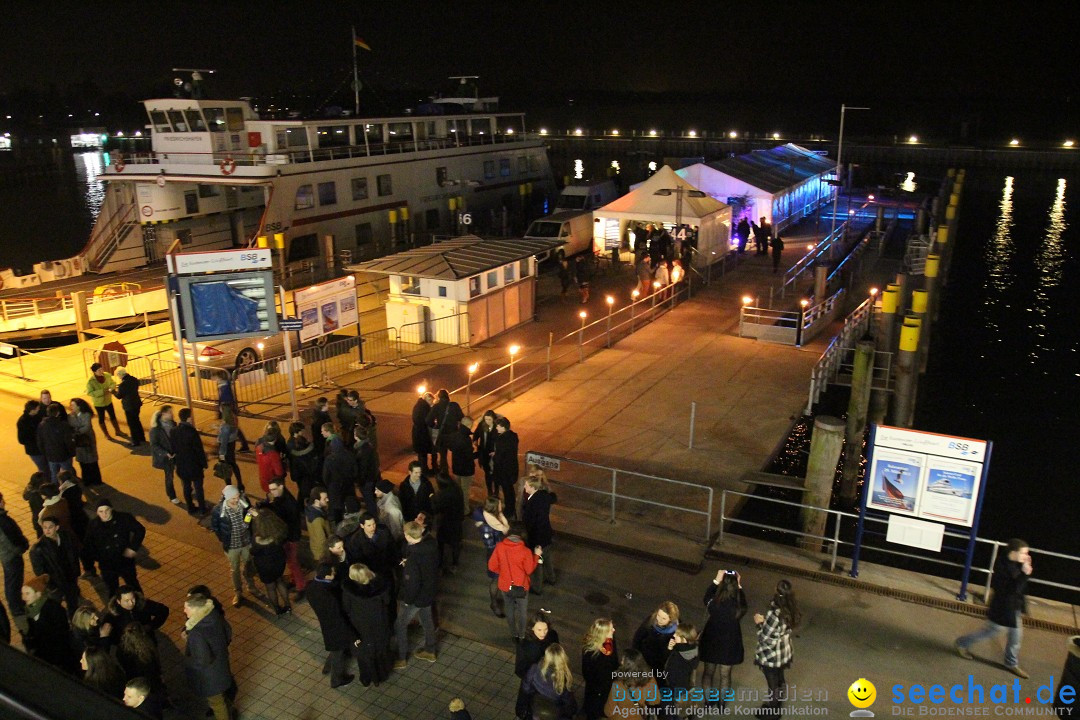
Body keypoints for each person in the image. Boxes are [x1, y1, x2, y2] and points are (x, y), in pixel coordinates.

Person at [955, 538, 1032, 678]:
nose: (1026, 557)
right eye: (1023, 553)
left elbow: (1019, 590)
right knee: (989, 632)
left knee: (1016, 637)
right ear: (1013, 552)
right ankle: (961, 643)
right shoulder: (1002, 567)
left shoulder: (1016, 563)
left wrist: (1023, 574)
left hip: (1014, 608)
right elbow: (1011, 589)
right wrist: (1025, 575)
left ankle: (1011, 663)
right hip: (1002, 609)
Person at [182, 593, 236, 720]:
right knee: (223, 698)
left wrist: (186, 661)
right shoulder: (214, 616)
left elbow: (202, 661)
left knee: (217, 703)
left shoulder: (196, 633)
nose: (184, 611)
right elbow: (228, 632)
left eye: (187, 608)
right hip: (221, 666)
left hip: (210, 677)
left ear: (196, 610)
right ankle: (231, 712)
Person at [393, 520, 439, 668]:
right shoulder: (431, 545)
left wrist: (407, 601)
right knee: (426, 620)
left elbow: (413, 584)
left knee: (400, 624)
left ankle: (401, 658)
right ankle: (430, 650)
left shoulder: (413, 558)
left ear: (407, 536)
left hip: (417, 597)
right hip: (429, 592)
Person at [307, 562, 359, 688]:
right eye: (332, 573)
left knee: (334, 647)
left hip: (326, 623)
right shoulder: (329, 597)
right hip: (335, 626)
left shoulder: (312, 586)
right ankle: (337, 680)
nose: (334, 574)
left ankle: (327, 667)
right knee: (338, 652)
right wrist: (353, 636)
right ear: (326, 576)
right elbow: (339, 618)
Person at [700, 569, 747, 707]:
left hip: (711, 640)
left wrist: (716, 580)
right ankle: (721, 704)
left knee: (708, 673)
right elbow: (743, 601)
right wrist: (739, 585)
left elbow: (706, 597)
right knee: (725, 675)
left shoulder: (714, 603)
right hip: (730, 643)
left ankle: (708, 701)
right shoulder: (739, 607)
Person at [488, 520, 541, 642]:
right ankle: (522, 635)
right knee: (522, 612)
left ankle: (514, 634)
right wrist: (537, 555)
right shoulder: (525, 551)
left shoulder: (500, 547)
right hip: (521, 586)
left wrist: (503, 571)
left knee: (509, 609)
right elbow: (529, 570)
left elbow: (492, 566)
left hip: (505, 585)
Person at [753, 579, 800, 713]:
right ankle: (778, 703)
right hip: (784, 650)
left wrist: (759, 622)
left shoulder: (775, 613)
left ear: (776, 591)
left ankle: (773, 710)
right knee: (780, 678)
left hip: (773, 654)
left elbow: (765, 637)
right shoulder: (792, 608)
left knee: (772, 683)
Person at [342, 563, 393, 686]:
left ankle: (366, 678)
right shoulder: (380, 587)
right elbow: (388, 602)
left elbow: (346, 609)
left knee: (364, 656)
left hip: (360, 628)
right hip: (379, 625)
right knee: (380, 652)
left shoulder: (350, 591)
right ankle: (382, 674)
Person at [83, 499, 145, 597]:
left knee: (133, 585)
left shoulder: (123, 518)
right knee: (112, 588)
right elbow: (88, 543)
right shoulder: (94, 524)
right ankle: (115, 609)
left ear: (111, 509)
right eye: (101, 511)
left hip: (124, 560)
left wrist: (133, 548)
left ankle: (140, 604)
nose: (104, 514)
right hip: (107, 564)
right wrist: (98, 557)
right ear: (97, 512)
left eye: (107, 510)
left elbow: (140, 530)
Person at [210, 486, 255, 608]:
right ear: (226, 498)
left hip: (245, 542)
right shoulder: (219, 510)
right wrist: (224, 540)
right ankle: (238, 592)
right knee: (235, 569)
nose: (236, 500)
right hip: (232, 546)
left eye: (237, 497)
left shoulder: (244, 504)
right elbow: (215, 527)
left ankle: (251, 587)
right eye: (233, 498)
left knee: (248, 566)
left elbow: (247, 521)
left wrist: (249, 517)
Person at [22, 575, 77, 673]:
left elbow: (61, 635)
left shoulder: (54, 610)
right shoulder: (30, 609)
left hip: (59, 658)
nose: (23, 597)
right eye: (23, 593)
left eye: (27, 593)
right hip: (45, 655)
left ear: (38, 594)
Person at [29, 515, 82, 615]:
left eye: (50, 527)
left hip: (70, 578)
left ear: (57, 527)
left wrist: (76, 573)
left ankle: (74, 621)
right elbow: (39, 572)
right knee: (55, 608)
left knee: (73, 604)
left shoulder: (66, 537)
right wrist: (51, 586)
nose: (47, 530)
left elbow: (74, 555)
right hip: (55, 584)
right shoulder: (38, 548)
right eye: (45, 527)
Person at [266, 478, 307, 597]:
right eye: (270, 490)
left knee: (293, 562)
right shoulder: (281, 498)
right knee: (290, 562)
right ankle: (295, 581)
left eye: (274, 489)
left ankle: (301, 586)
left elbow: (287, 521)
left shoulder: (288, 503)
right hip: (288, 536)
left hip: (290, 538)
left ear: (281, 486)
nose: (271, 492)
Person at [519, 643, 578, 720]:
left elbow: (526, 688)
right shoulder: (562, 681)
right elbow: (570, 706)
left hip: (537, 711)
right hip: (554, 715)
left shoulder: (535, 669)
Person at [250, 510, 292, 616]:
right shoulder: (277, 533)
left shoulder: (258, 539)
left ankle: (277, 609)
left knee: (270, 588)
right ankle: (288, 605)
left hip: (265, 567)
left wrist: (249, 515)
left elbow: (253, 551)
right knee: (279, 581)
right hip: (278, 562)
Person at [474, 495, 509, 617]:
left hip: (500, 552)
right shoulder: (487, 527)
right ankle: (494, 602)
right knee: (496, 578)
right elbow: (490, 545)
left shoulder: (493, 519)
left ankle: (498, 597)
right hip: (495, 555)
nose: (502, 506)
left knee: (500, 577)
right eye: (499, 504)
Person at [173, 407, 209, 516]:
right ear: (188, 418)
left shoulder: (174, 431)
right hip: (194, 465)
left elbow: (173, 448)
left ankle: (190, 507)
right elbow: (199, 450)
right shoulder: (192, 432)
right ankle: (202, 508)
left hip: (181, 465)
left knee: (186, 487)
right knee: (198, 488)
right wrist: (204, 463)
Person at [522, 475, 555, 592]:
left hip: (537, 538)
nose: (524, 487)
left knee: (538, 562)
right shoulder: (544, 496)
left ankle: (537, 587)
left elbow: (530, 522)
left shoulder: (532, 503)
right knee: (547, 557)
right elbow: (553, 497)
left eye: (526, 485)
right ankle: (551, 578)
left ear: (532, 487)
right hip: (546, 533)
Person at [605, 649, 661, 718]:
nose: (621, 662)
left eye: (623, 660)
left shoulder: (618, 685)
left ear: (627, 666)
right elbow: (655, 701)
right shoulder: (649, 679)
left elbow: (608, 711)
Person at [581, 618, 618, 720]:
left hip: (608, 686)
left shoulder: (610, 641)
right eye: (611, 629)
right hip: (596, 690)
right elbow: (587, 673)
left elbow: (614, 660)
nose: (614, 630)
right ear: (603, 634)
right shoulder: (590, 652)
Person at [0, 492, 30, 617]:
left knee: (12, 581)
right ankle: (16, 607)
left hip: (7, 556)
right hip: (10, 556)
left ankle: (16, 603)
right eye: (1, 500)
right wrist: (19, 550)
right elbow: (6, 541)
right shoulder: (1, 520)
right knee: (13, 582)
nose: (4, 502)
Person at [321, 422, 357, 524]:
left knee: (337, 506)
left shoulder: (329, 459)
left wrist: (329, 484)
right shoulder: (349, 455)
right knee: (349, 502)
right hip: (348, 484)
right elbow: (355, 471)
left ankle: (339, 524)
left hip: (335, 486)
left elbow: (325, 476)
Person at [632, 600, 680, 674]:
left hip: (658, 664)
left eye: (664, 618)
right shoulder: (651, 620)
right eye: (658, 615)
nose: (659, 620)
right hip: (643, 658)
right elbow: (638, 637)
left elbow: (670, 655)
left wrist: (669, 648)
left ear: (671, 619)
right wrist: (634, 656)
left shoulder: (674, 632)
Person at [431, 472, 465, 574]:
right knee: (455, 544)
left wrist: (432, 498)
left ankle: (440, 563)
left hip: (445, 522)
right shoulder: (457, 489)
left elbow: (436, 509)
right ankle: (454, 564)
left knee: (441, 543)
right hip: (456, 522)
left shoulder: (442, 494)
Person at [115, 622, 164, 691]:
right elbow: (154, 664)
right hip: (150, 679)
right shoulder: (147, 648)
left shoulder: (121, 649)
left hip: (134, 678)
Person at [664, 623, 700, 715]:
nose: (674, 635)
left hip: (677, 691)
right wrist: (671, 647)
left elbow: (670, 671)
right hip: (685, 688)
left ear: (684, 640)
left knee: (678, 713)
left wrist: (670, 649)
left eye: (677, 635)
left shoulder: (679, 656)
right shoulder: (691, 650)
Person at [104, 585, 170, 634]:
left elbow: (163, 611)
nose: (131, 603)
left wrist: (149, 626)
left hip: (147, 642)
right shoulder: (113, 614)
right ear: (118, 601)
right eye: (126, 601)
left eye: (132, 599)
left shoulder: (142, 604)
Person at [426, 389, 463, 474]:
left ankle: (445, 472)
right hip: (454, 434)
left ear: (438, 397)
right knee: (456, 453)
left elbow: (428, 420)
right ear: (448, 396)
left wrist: (435, 425)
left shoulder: (436, 406)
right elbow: (461, 418)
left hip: (442, 435)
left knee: (443, 456)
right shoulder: (454, 405)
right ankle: (457, 471)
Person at [68, 398, 104, 486]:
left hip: (88, 440)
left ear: (79, 407)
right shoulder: (70, 416)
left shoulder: (86, 414)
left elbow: (86, 427)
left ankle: (96, 480)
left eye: (73, 405)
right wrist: (78, 429)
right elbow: (72, 427)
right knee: (82, 462)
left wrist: (76, 431)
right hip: (78, 442)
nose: (71, 407)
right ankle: (87, 480)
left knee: (92, 461)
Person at [147, 406, 179, 505]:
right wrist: (165, 453)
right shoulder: (155, 429)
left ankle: (188, 489)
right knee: (169, 477)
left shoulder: (173, 424)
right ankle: (171, 495)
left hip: (176, 453)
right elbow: (154, 445)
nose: (172, 414)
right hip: (167, 458)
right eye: (170, 412)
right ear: (163, 414)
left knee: (182, 471)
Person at [37, 402, 75, 481]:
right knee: (67, 474)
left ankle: (55, 490)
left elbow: (40, 442)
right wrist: (72, 453)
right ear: (57, 413)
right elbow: (68, 442)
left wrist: (45, 453)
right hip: (64, 455)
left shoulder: (42, 425)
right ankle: (68, 489)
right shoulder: (63, 425)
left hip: (51, 456)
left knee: (54, 474)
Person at [516, 611, 560, 679]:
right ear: (532, 628)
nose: (543, 633)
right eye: (539, 630)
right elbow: (519, 670)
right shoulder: (524, 644)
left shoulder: (552, 635)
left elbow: (557, 653)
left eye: (545, 629)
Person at [85, 363, 123, 439]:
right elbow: (89, 392)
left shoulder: (107, 375)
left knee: (113, 416)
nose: (101, 371)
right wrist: (102, 392)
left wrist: (111, 388)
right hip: (99, 403)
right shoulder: (90, 381)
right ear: (94, 372)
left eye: (102, 369)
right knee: (101, 418)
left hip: (108, 400)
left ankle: (118, 431)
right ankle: (106, 434)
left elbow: (113, 383)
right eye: (99, 370)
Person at [492, 417, 520, 519]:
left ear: (503, 427)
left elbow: (499, 457)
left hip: (504, 470)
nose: (496, 428)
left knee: (507, 491)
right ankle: (511, 508)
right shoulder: (513, 436)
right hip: (512, 468)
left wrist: (495, 456)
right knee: (510, 490)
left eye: (498, 426)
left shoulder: (501, 440)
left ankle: (509, 510)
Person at [447, 415, 477, 507]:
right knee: (465, 491)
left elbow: (451, 448)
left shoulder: (454, 435)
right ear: (469, 425)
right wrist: (479, 453)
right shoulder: (466, 439)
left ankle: (457, 506)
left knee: (458, 489)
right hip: (466, 470)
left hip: (456, 467)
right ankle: (465, 510)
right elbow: (469, 456)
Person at [112, 367, 145, 447]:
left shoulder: (123, 385)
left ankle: (135, 441)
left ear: (120, 375)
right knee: (137, 420)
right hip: (137, 403)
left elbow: (119, 396)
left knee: (132, 423)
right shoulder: (134, 379)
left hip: (129, 406)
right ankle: (141, 437)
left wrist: (112, 391)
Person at [286, 423, 318, 505]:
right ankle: (301, 506)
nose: (303, 432)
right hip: (301, 473)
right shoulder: (292, 445)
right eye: (301, 431)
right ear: (297, 431)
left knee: (302, 490)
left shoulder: (291, 442)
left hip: (299, 472)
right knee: (303, 490)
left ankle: (300, 506)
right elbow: (301, 456)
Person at [473, 411, 501, 497]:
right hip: (484, 453)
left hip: (494, 453)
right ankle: (489, 490)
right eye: (486, 419)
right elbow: (476, 433)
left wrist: (497, 451)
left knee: (496, 472)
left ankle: (496, 490)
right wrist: (475, 440)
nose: (487, 421)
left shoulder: (498, 427)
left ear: (494, 419)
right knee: (487, 473)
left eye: (489, 419)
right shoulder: (482, 425)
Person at [216, 409, 244, 492]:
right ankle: (240, 484)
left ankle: (229, 487)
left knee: (225, 468)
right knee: (233, 464)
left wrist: (221, 454)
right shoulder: (233, 423)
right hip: (231, 447)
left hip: (225, 449)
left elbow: (223, 441)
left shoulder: (226, 427)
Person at [17, 399, 48, 475]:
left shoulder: (38, 415)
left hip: (44, 447)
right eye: (37, 408)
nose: (39, 409)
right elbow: (21, 440)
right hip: (34, 451)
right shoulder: (22, 422)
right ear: (32, 410)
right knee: (44, 470)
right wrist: (36, 438)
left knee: (48, 468)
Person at [354, 426, 380, 515]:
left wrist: (360, 481)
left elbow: (363, 468)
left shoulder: (362, 450)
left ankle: (373, 516)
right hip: (371, 477)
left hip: (366, 480)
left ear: (356, 436)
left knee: (369, 500)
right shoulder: (368, 446)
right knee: (370, 498)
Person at [255, 425, 286, 495]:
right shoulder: (273, 454)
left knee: (269, 494)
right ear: (275, 439)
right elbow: (279, 472)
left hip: (263, 477)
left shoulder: (259, 447)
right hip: (272, 480)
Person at [412, 391, 436, 474]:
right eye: (431, 401)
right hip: (422, 433)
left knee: (421, 453)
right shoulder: (425, 407)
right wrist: (434, 424)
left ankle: (422, 470)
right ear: (428, 399)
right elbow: (428, 421)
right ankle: (424, 471)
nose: (432, 403)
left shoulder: (418, 405)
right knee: (423, 452)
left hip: (417, 432)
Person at [306, 486, 332, 563]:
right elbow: (321, 539)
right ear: (317, 501)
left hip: (315, 547)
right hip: (322, 553)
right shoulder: (317, 519)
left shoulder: (310, 509)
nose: (328, 500)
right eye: (324, 498)